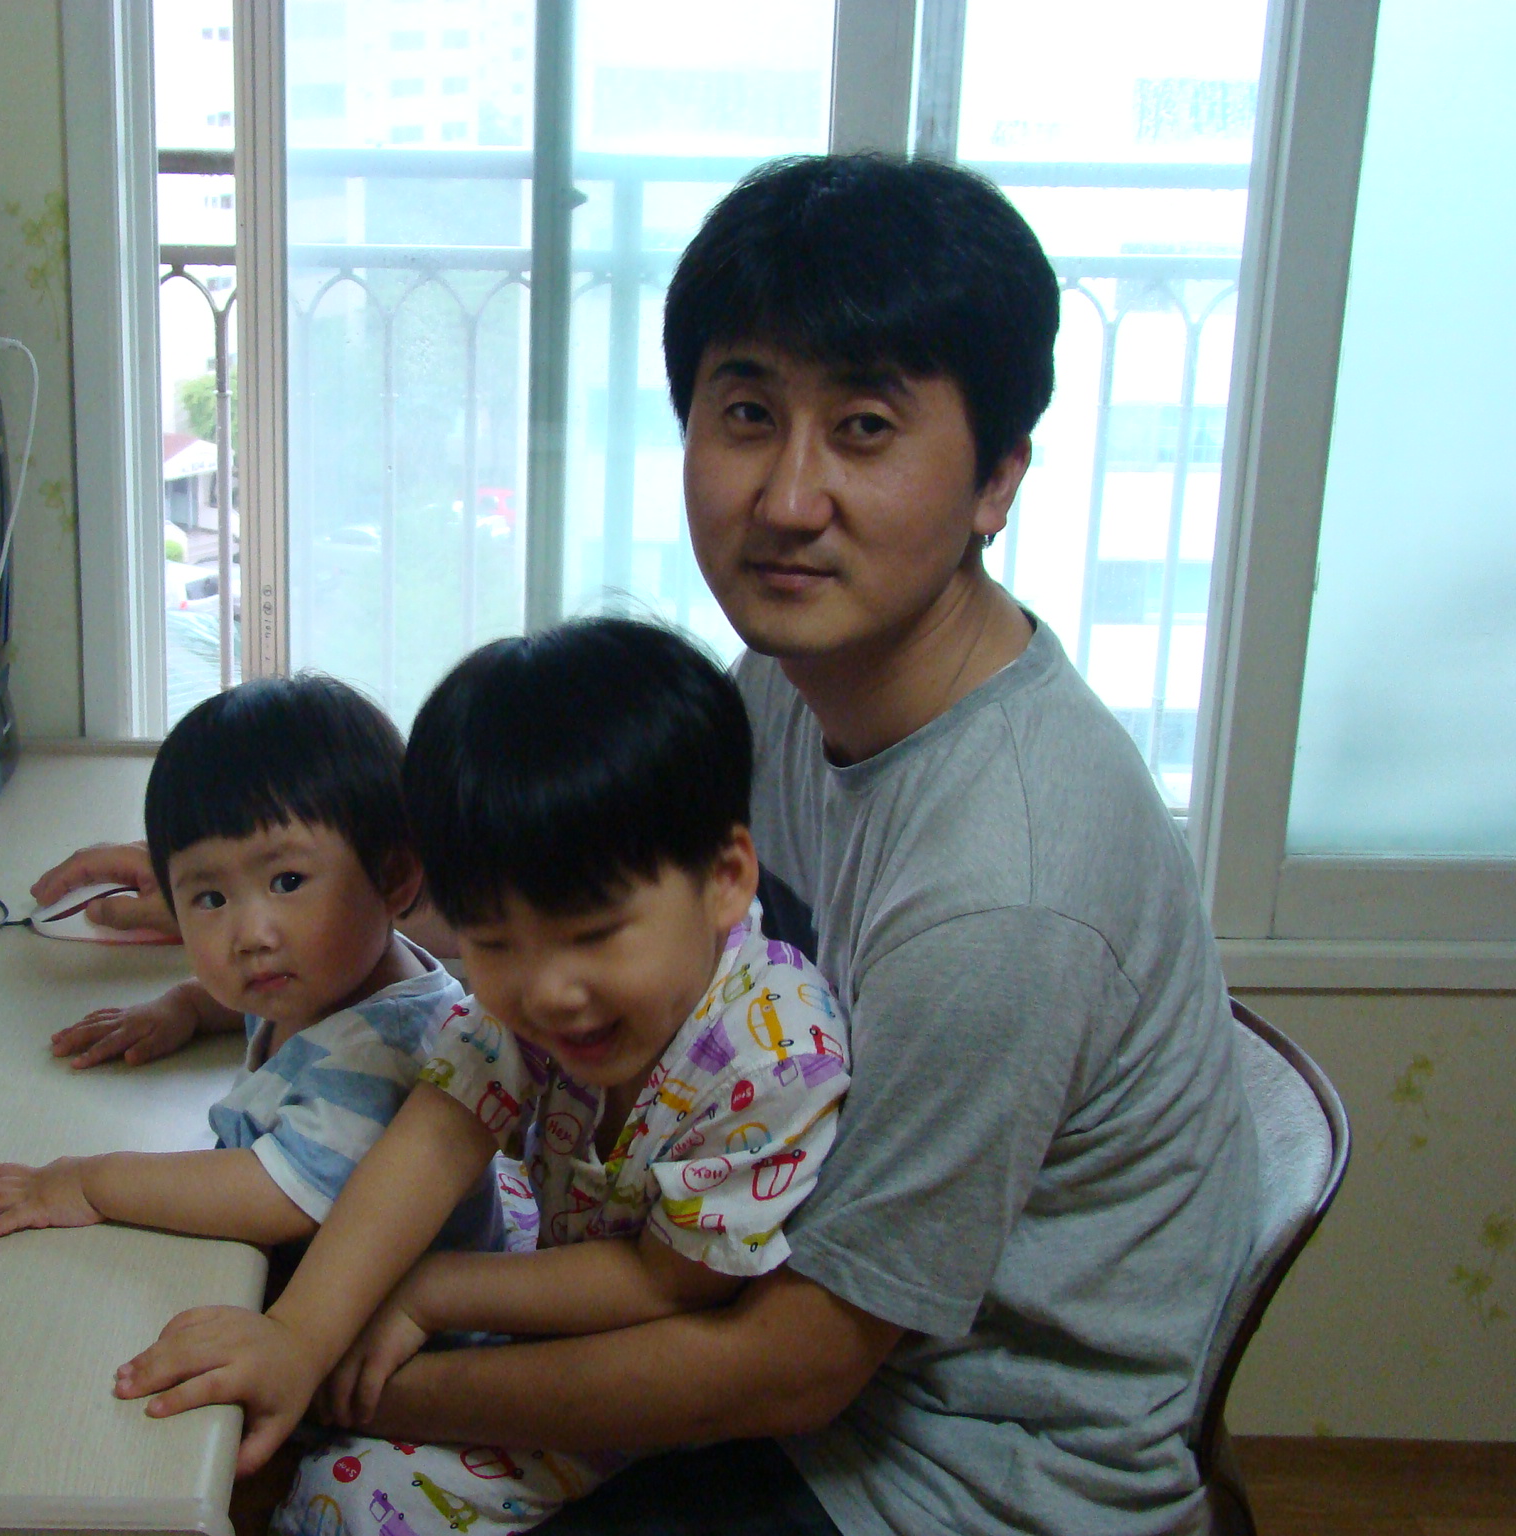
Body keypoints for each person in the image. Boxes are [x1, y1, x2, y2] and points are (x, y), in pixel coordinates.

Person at [126, 154, 1259, 1536]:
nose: (787, 498)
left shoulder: (1004, 890)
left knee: (296, 1469)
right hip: (761, 1332)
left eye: (864, 429)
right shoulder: (784, 685)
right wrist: (260, 889)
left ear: (996, 479)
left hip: (950, 1467)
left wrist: (360, 1378)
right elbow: (583, 892)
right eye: (746, 414)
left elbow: (793, 1369)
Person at [133, 617, 849, 1536]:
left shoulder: (774, 1058)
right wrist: (297, 1337)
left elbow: (670, 1286)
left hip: (647, 1379)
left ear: (724, 878)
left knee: (342, 1494)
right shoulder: (533, 1006)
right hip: (547, 1281)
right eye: (496, 943)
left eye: (593, 934)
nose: (548, 991)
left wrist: (432, 1292)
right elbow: (438, 1130)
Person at [0, 673, 501, 1268]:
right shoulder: (328, 973)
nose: (250, 935)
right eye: (211, 898)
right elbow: (260, 1009)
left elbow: (278, 1196)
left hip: (417, 1317)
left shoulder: (383, 1054)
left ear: (393, 878)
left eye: (287, 881)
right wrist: (187, 1005)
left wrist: (89, 1183)